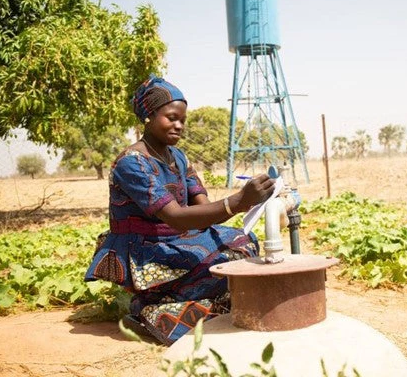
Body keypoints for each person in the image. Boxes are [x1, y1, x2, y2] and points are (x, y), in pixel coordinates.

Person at [85, 75, 275, 345]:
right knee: (228, 262)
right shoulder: (132, 163)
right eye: (171, 117)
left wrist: (251, 199)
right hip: (145, 250)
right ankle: (150, 310)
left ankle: (183, 302)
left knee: (245, 245)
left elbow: (203, 208)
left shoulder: (178, 157)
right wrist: (239, 201)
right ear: (148, 116)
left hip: (176, 239)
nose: (179, 125)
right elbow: (175, 217)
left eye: (182, 120)